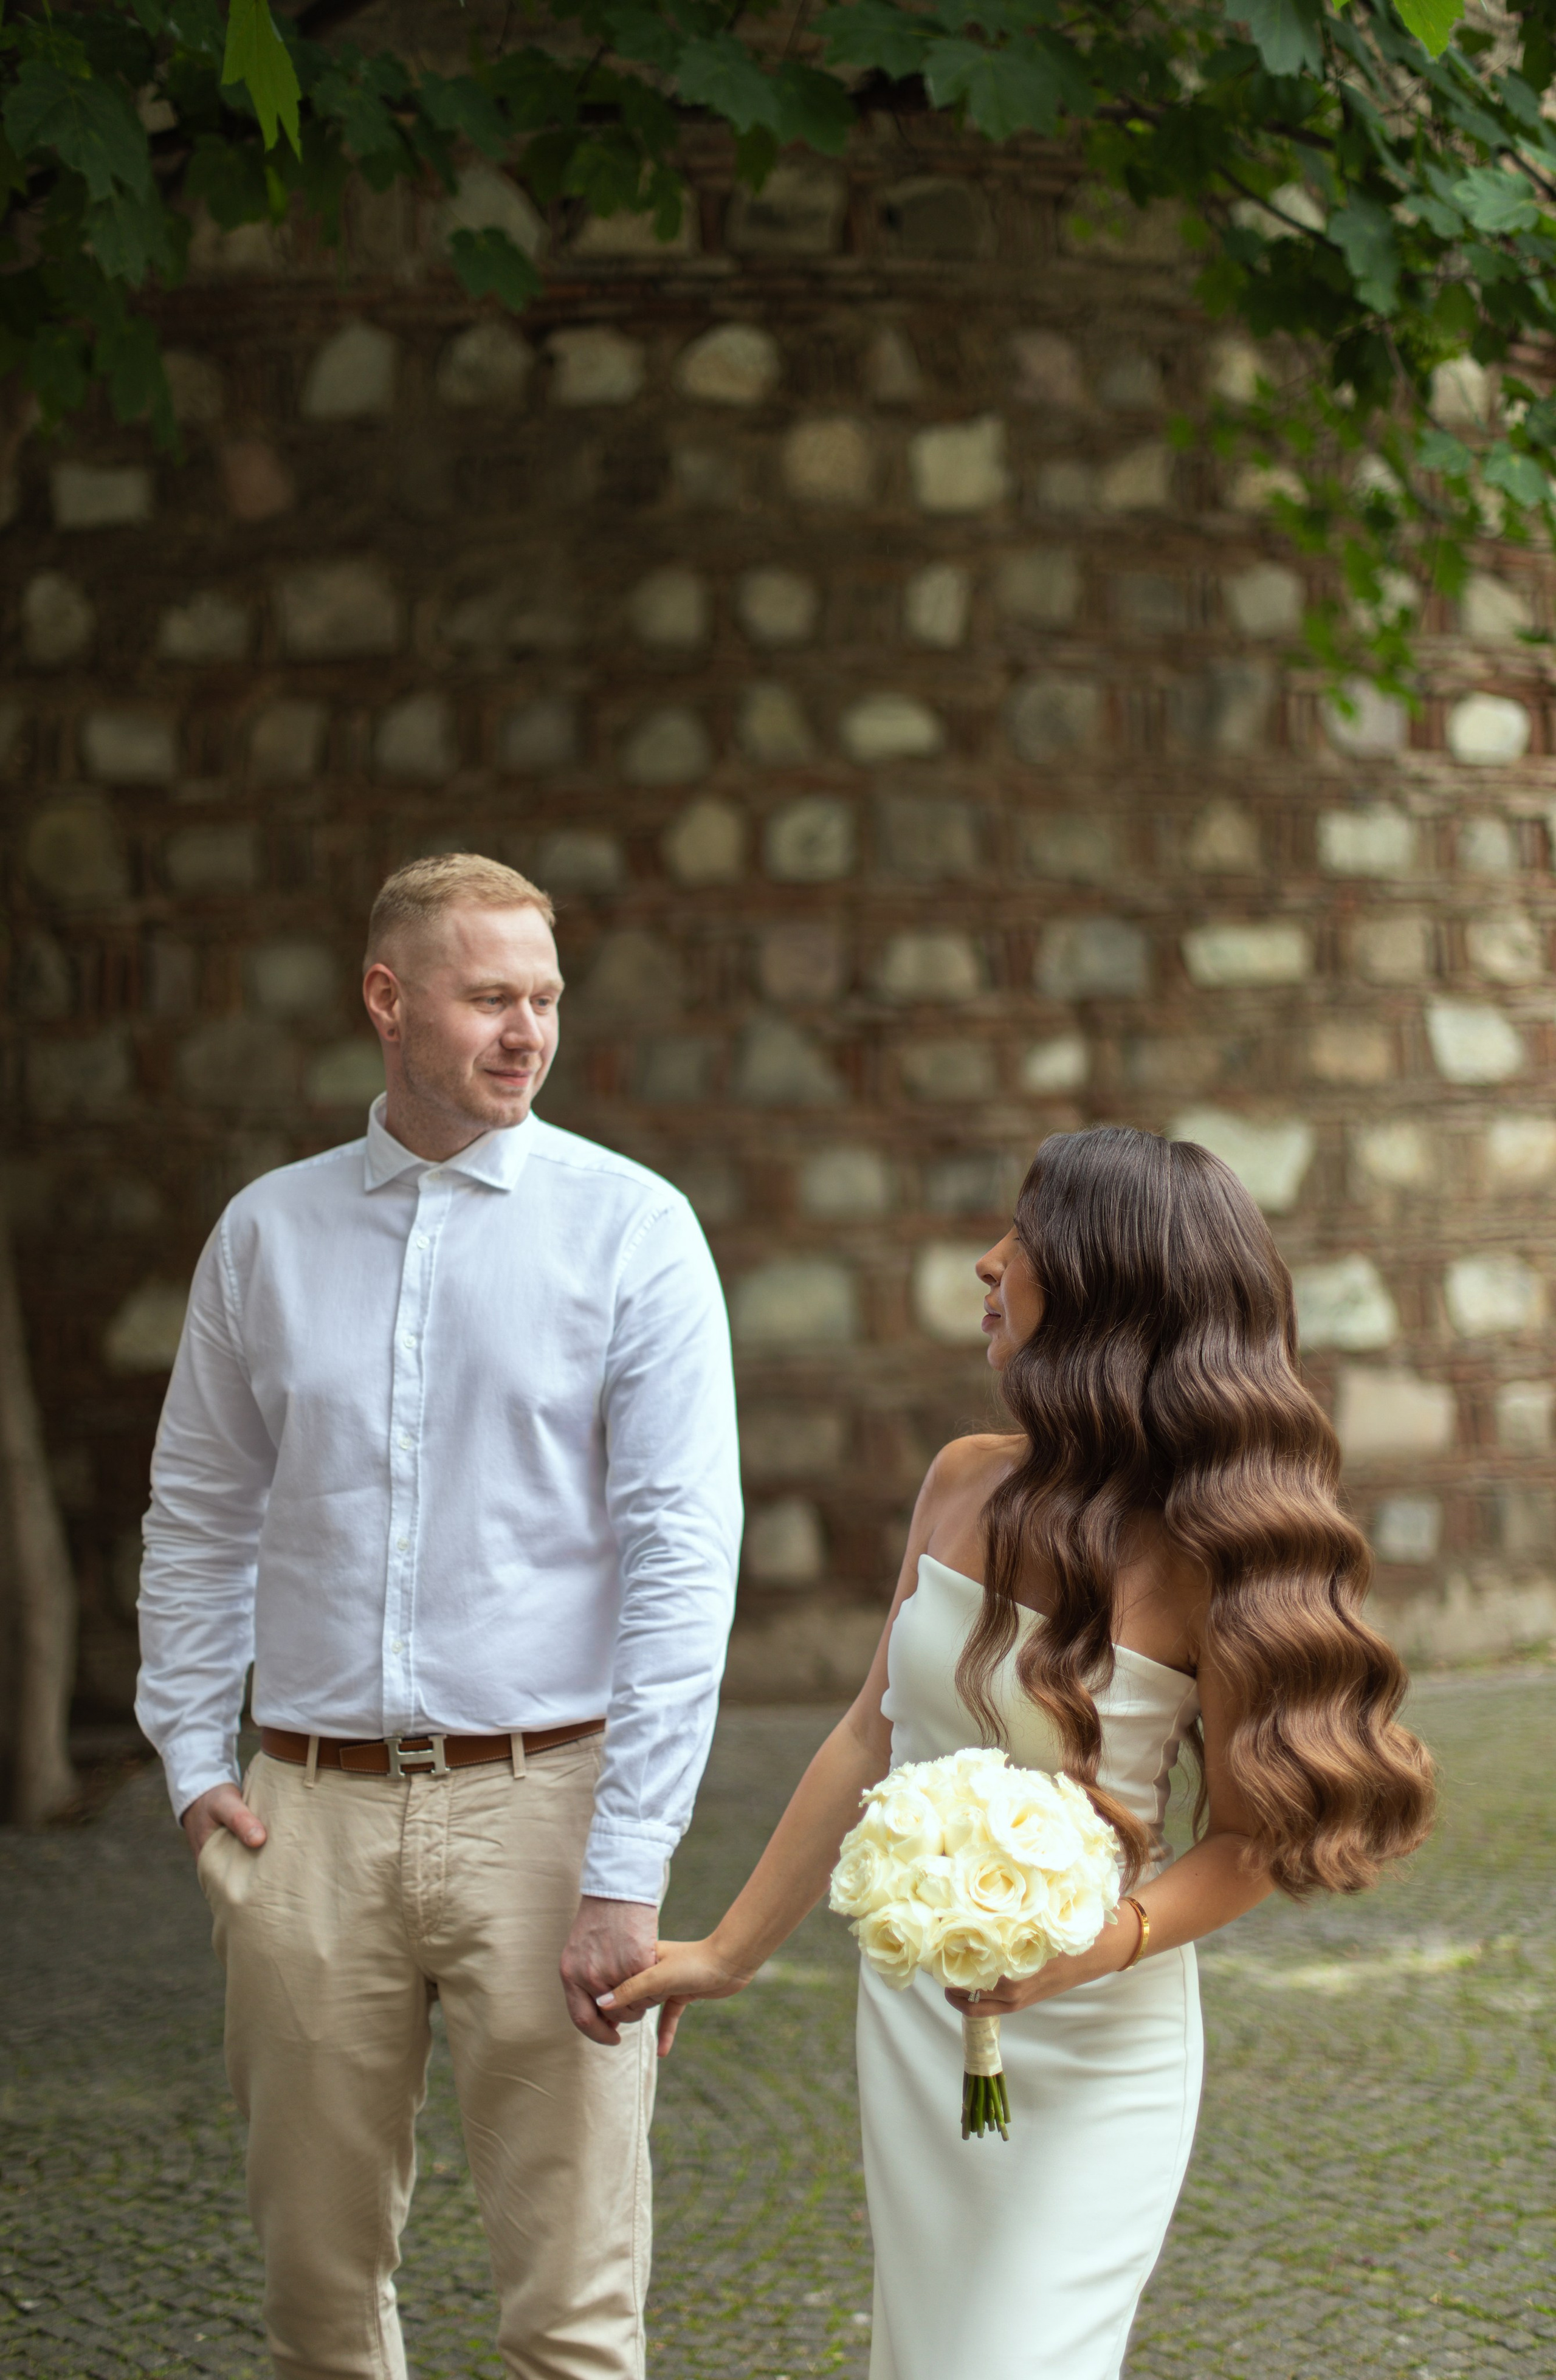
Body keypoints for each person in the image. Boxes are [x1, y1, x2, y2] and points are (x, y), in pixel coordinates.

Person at [605, 1125, 1434, 2380]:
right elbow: (867, 1732)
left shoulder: (1219, 1551)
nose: (987, 1263)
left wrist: (1105, 1942)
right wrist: (725, 1951)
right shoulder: (956, 1481)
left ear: (1104, 1288)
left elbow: (1256, 1837)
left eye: (1025, 1242)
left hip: (1101, 2033)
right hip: (917, 2013)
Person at [135, 853, 742, 2380]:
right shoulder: (264, 1235)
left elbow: (684, 1557)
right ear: (387, 1001)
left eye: (542, 997)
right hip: (304, 1821)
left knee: (574, 2317)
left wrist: (627, 1863)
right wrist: (191, 1754)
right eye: (489, 997)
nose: (525, 1030)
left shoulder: (634, 1229)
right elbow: (199, 1510)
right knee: (317, 2314)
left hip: (549, 1813)